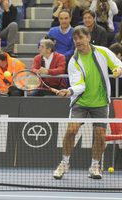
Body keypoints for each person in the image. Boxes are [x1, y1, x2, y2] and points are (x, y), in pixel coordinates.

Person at [52, 25, 122, 180]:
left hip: (101, 102)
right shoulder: (74, 61)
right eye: (75, 39)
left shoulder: (102, 51)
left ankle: (95, 166)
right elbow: (80, 85)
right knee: (71, 130)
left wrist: (118, 69)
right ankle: (64, 163)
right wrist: (70, 91)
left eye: (81, 37)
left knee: (100, 135)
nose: (78, 41)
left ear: (88, 37)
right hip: (81, 102)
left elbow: (118, 63)